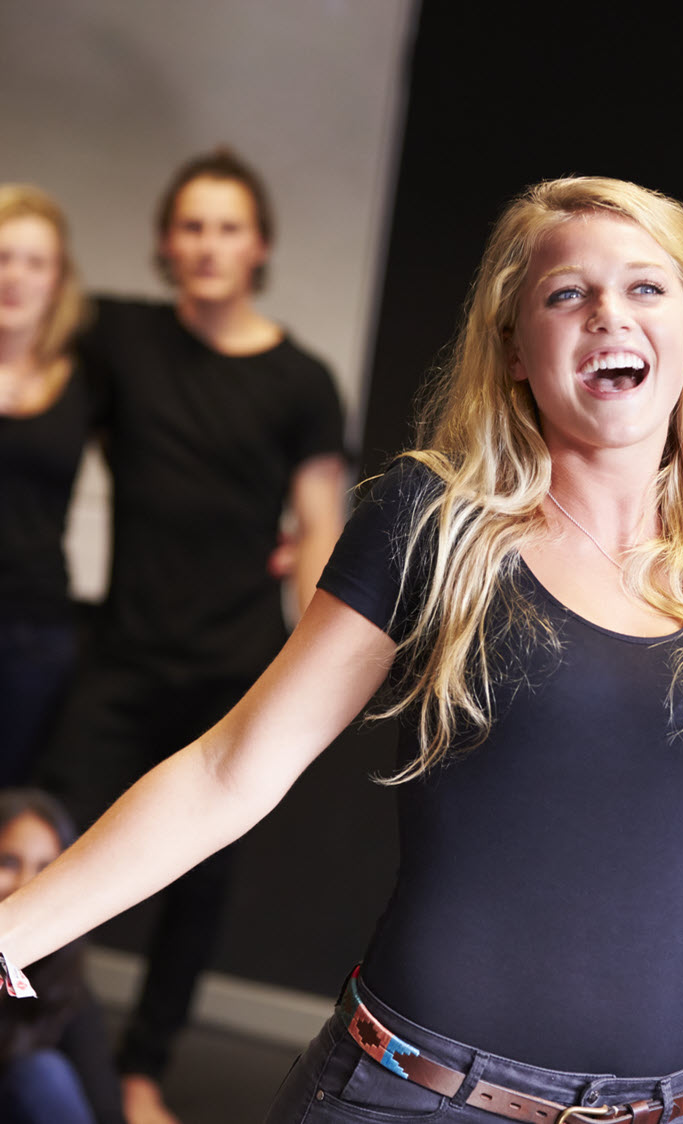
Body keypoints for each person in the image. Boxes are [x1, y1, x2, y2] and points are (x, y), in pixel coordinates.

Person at [0, 179, 683, 1124]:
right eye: (565, 293)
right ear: (517, 347)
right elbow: (226, 769)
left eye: (643, 289)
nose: (606, 316)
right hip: (418, 1095)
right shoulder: (432, 524)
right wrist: (16, 924)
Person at [35, 149, 346, 1124]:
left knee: (195, 890)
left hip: (235, 672)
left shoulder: (301, 379)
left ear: (258, 247)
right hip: (122, 659)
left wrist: (315, 674)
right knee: (39, 845)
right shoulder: (122, 340)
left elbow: (319, 530)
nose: (208, 244)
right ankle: (30, 1046)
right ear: (166, 244)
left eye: (228, 227)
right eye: (192, 226)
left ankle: (137, 1070)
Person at [0, 185, 92, 784]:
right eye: (3, 257)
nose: (16, 276)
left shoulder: (85, 381)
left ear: (58, 280)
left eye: (35, 262)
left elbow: (163, 466)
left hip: (33, 631)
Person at [0, 789, 125, 1124]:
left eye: (45, 868)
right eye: (8, 862)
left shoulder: (68, 987)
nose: (26, 883)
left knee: (42, 1074)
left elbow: (107, 1113)